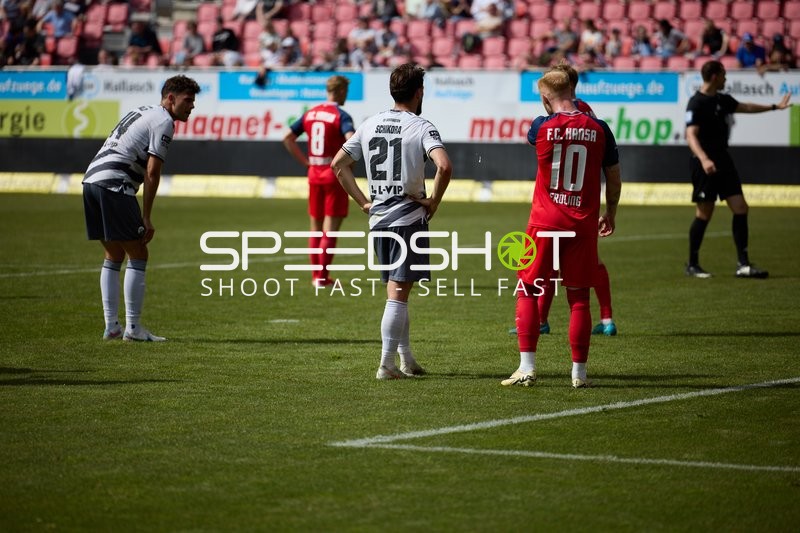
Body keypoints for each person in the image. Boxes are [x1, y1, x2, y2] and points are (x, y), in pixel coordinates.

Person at [331, 63, 452, 380]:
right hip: (407, 218)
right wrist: (434, 202)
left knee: (397, 291)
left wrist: (362, 202)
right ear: (419, 92)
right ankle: (385, 364)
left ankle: (406, 359)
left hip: (379, 218)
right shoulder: (422, 126)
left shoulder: (370, 123)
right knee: (398, 293)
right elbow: (444, 166)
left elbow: (338, 165)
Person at [502, 69, 621, 388]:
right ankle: (579, 374)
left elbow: (539, 139)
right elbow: (613, 175)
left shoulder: (540, 126)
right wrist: (610, 211)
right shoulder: (600, 128)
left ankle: (526, 367)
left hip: (544, 220)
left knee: (528, 288)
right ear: (573, 89)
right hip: (582, 223)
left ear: (544, 97)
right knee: (579, 297)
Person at [81, 75, 201, 342]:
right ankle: (133, 329)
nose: (192, 106)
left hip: (91, 181)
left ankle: (111, 326)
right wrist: (146, 216)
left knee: (113, 253)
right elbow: (152, 171)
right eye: (187, 100)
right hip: (114, 184)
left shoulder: (142, 111)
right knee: (138, 252)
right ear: (171, 98)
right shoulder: (164, 122)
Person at [685, 60, 791, 279]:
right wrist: (704, 159)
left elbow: (746, 107)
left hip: (723, 160)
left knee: (741, 207)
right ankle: (692, 264)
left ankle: (743, 264)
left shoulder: (722, 99)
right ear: (714, 76)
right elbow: (690, 135)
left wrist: (774, 107)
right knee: (704, 213)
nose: (726, 78)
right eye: (723, 74)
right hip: (705, 164)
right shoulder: (696, 103)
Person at [283, 75, 356, 288]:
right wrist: (349, 162)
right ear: (341, 91)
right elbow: (351, 139)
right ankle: (322, 278)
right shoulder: (340, 115)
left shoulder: (310, 113)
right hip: (334, 174)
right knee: (330, 228)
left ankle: (316, 275)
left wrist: (305, 161)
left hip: (314, 171)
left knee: (315, 227)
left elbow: (287, 137)